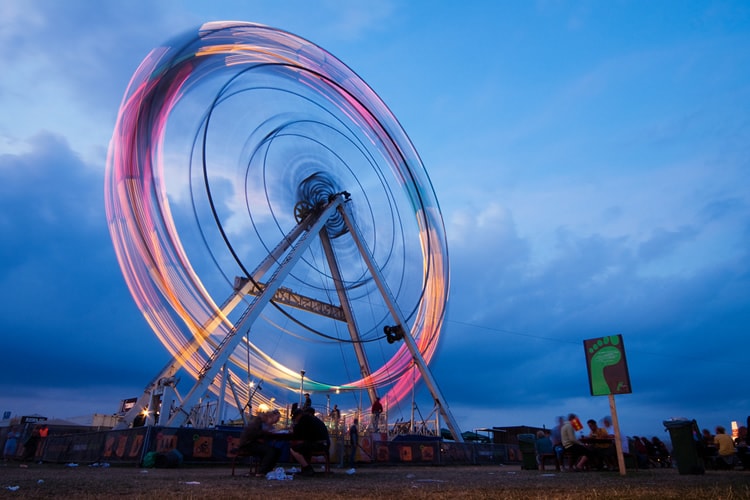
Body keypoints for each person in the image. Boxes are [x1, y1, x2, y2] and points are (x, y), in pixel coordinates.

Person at [236, 409, 283, 476]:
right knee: (270, 451)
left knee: (277, 451)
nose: (277, 420)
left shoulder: (266, 425)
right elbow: (254, 434)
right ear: (270, 417)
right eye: (277, 418)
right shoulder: (259, 422)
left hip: (254, 443)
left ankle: (267, 470)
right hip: (249, 444)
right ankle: (261, 471)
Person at [289, 407, 330, 477]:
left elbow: (298, 434)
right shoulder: (313, 419)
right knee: (303, 447)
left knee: (293, 449)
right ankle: (305, 469)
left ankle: (307, 469)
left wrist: (293, 428)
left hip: (318, 444)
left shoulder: (304, 419)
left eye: (295, 418)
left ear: (298, 416)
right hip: (324, 444)